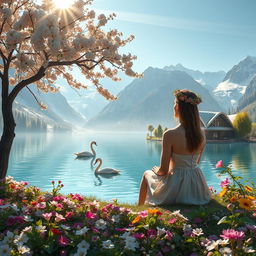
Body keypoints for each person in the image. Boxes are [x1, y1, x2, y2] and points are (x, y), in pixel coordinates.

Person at [138, 89, 211, 205]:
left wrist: (156, 170)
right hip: (197, 185)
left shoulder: (170, 134)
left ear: (178, 107)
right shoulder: (202, 134)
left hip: (176, 185)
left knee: (147, 173)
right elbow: (197, 161)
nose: (174, 106)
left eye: (175, 103)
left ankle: (139, 208)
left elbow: (163, 170)